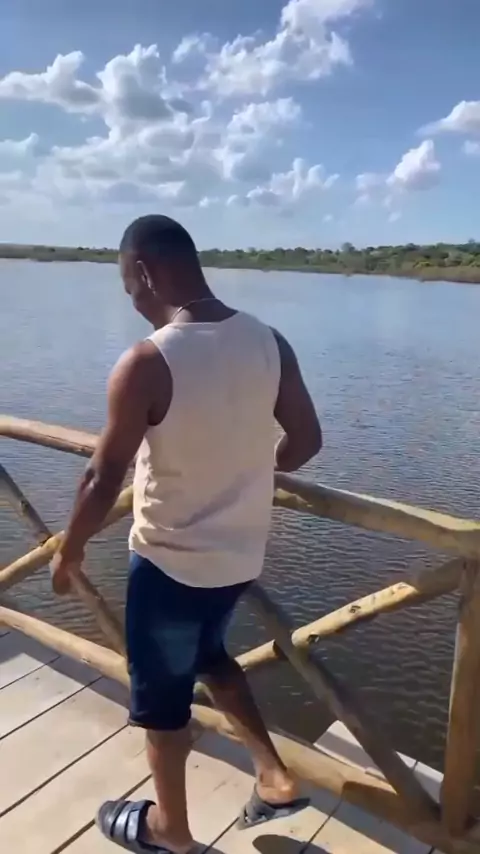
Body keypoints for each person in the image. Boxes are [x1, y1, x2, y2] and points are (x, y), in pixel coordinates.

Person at [50, 215, 322, 854]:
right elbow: (306, 441)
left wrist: (69, 550)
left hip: (170, 566)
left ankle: (169, 829)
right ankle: (275, 776)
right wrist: (250, 465)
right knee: (210, 655)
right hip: (238, 558)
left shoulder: (148, 361)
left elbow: (101, 476)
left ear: (145, 271)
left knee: (163, 706)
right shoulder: (270, 342)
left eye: (129, 285)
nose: (132, 300)